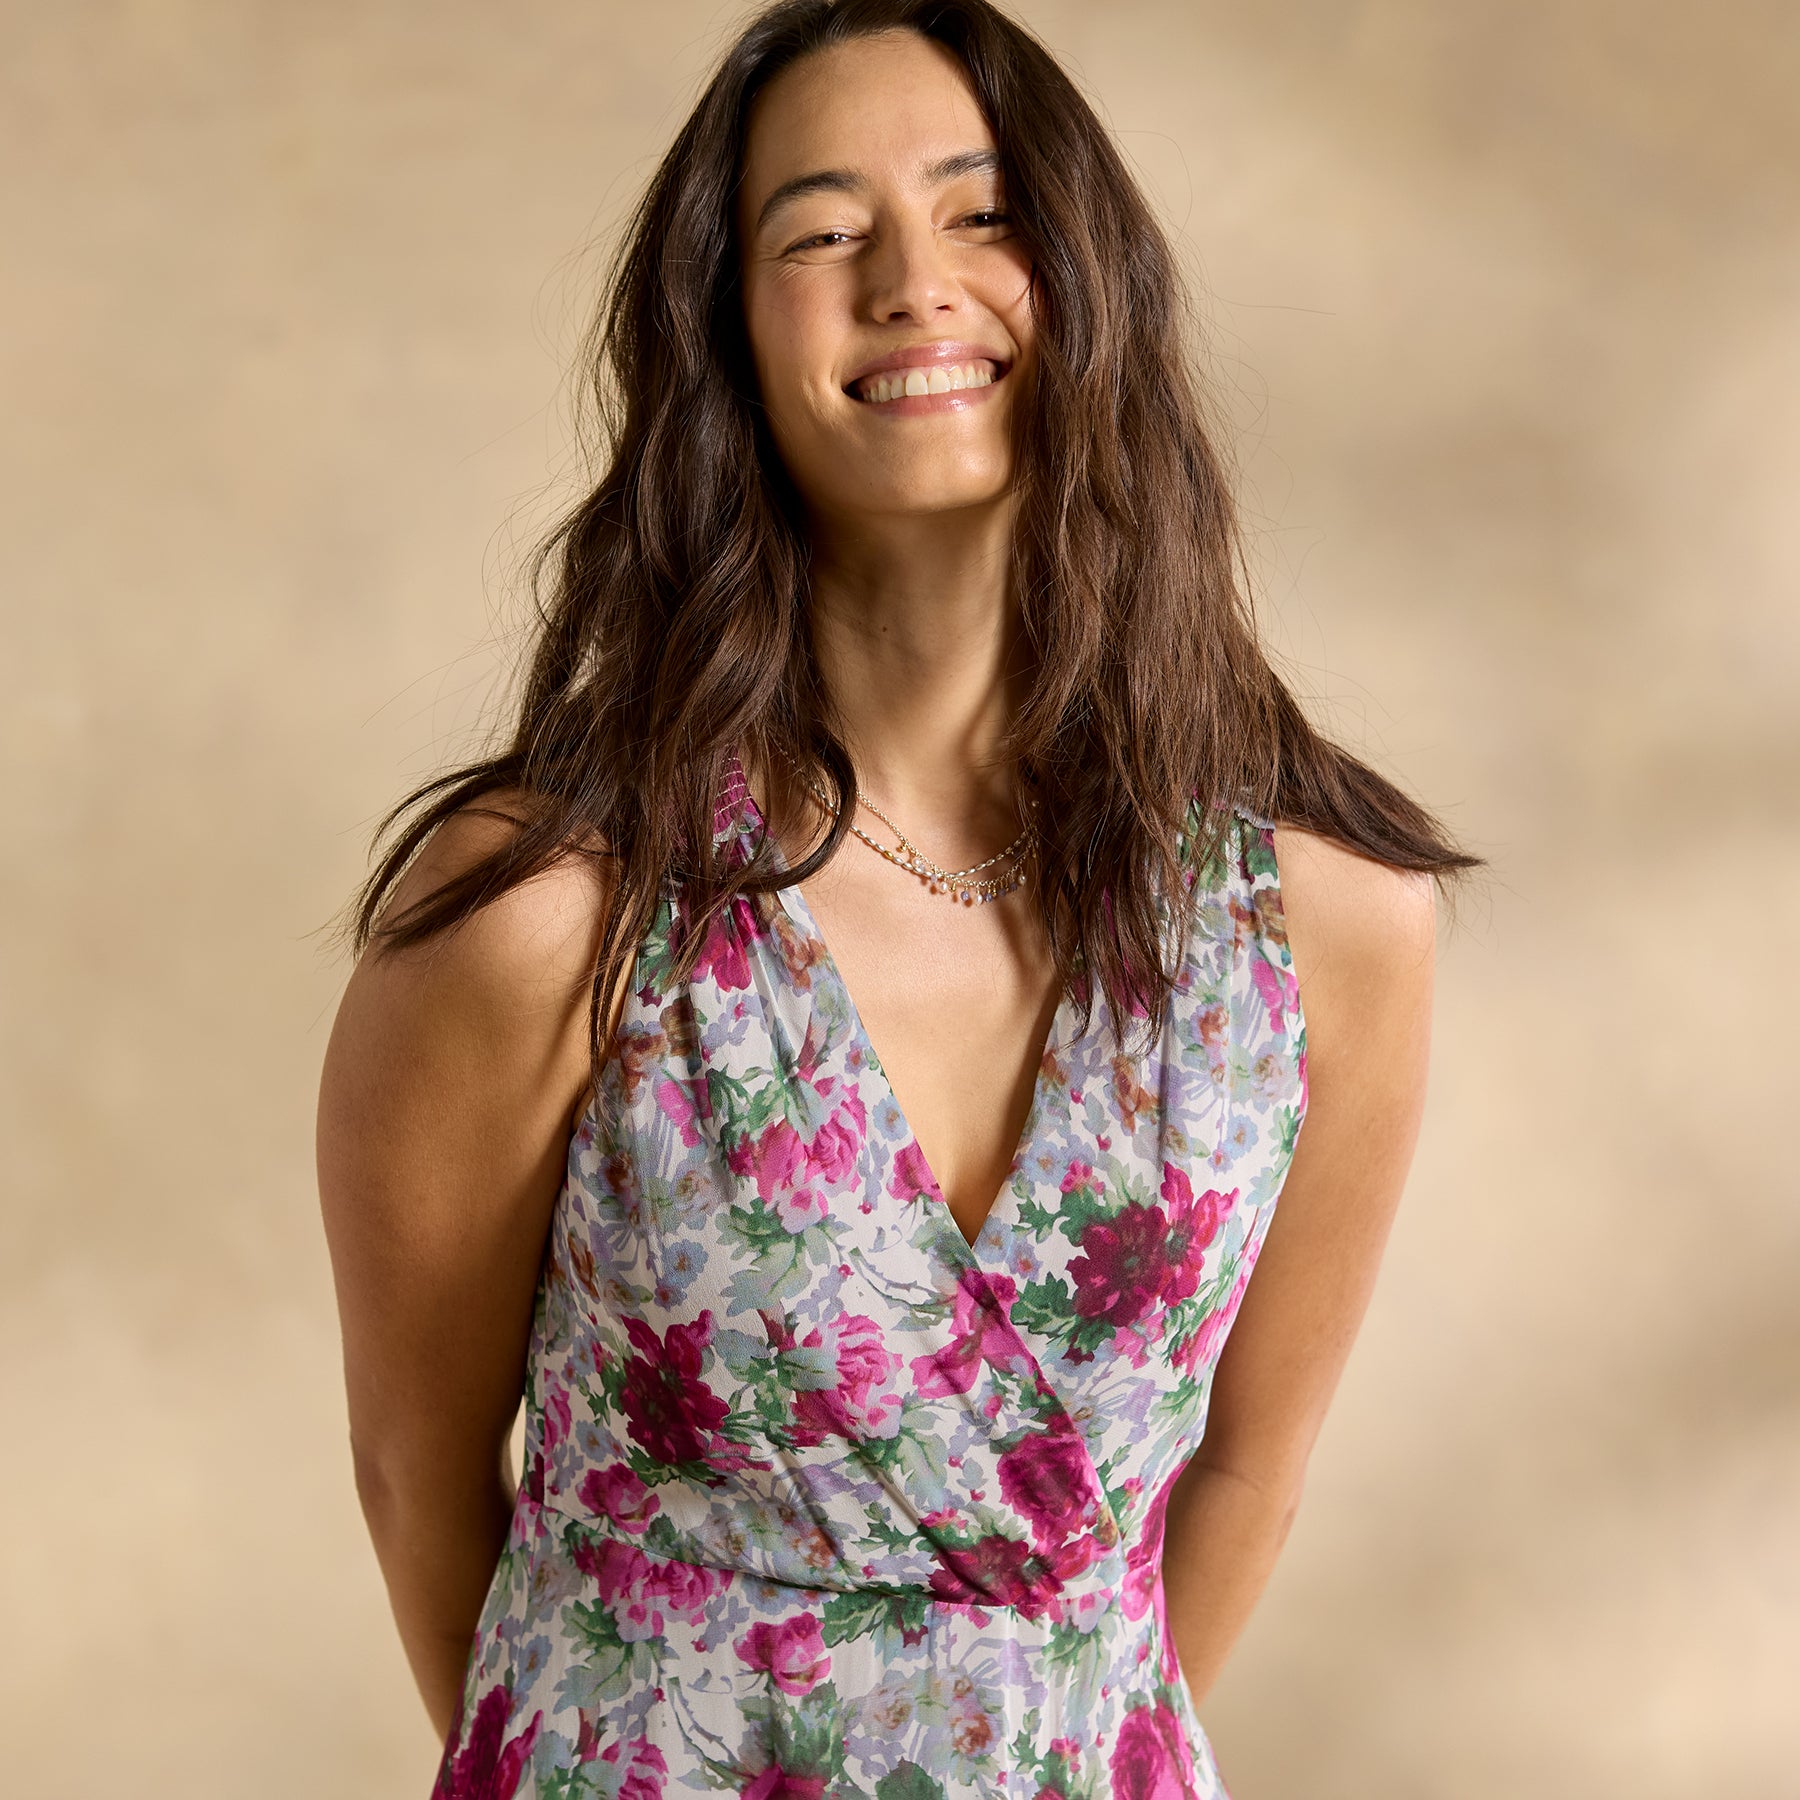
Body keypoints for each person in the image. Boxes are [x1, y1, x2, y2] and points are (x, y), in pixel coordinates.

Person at [316, 2, 1481, 1795]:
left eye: (981, 211)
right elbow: (416, 1472)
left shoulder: (1327, 920)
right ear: (724, 330)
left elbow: (1252, 1466)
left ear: (1092, 283)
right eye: (820, 234)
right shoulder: (549, 918)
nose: (913, 283)